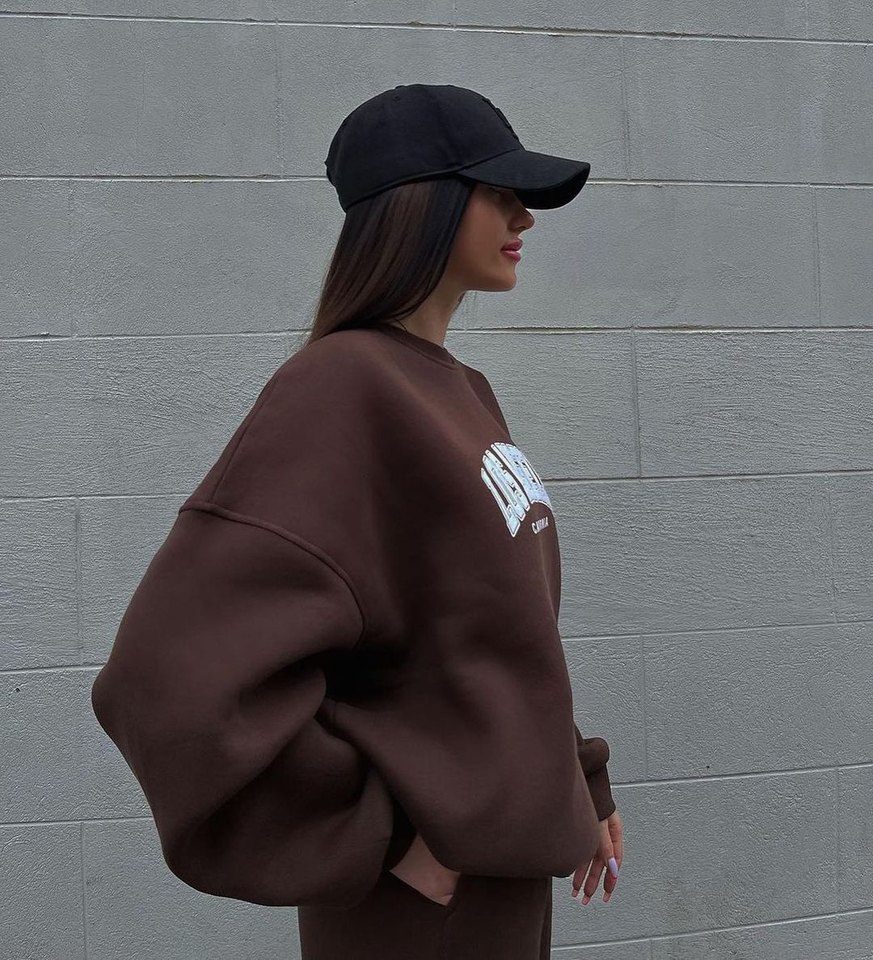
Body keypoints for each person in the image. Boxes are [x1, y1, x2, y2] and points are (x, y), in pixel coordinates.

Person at [91, 83, 623, 960]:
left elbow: (485, 637)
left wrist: (577, 780)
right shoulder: (339, 388)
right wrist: (383, 837)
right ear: (421, 206)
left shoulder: (459, 390)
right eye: (495, 191)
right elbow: (163, 679)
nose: (522, 214)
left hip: (501, 873)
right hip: (421, 907)